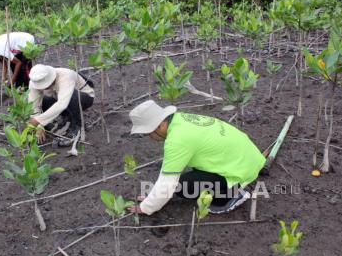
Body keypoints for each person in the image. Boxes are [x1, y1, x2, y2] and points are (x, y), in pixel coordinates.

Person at [127, 100, 265, 215]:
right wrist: (152, 197)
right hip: (249, 157)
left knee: (182, 188)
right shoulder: (180, 119)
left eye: (148, 133)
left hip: (242, 168)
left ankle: (232, 195)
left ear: (160, 126)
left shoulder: (177, 140)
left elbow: (168, 183)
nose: (149, 138)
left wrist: (145, 207)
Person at [27, 64, 94, 147]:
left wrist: (38, 120)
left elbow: (62, 104)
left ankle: (77, 128)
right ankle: (64, 119)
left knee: (72, 97)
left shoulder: (66, 76)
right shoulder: (34, 82)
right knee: (44, 100)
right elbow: (34, 106)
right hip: (60, 100)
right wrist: (39, 127)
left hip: (84, 97)